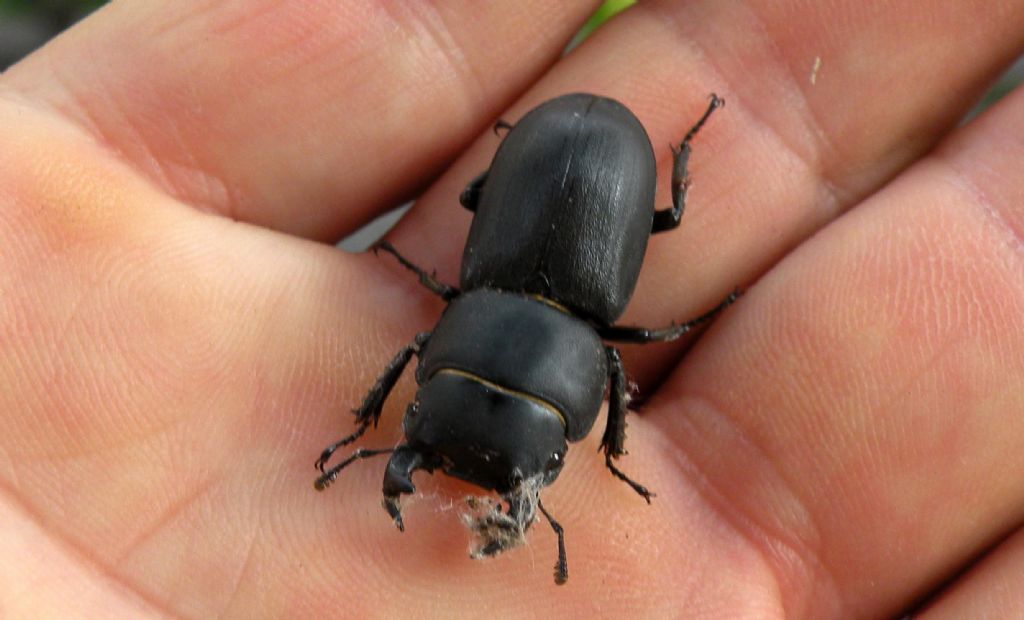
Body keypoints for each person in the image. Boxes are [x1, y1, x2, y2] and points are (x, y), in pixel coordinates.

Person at [2, 1, 1023, 617]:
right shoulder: (553, 329)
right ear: (592, 392)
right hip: (553, 189)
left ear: (450, 338)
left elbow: (436, 339)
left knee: (635, 215)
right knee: (645, 225)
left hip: (550, 173)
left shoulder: (479, 314)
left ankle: (670, 152)